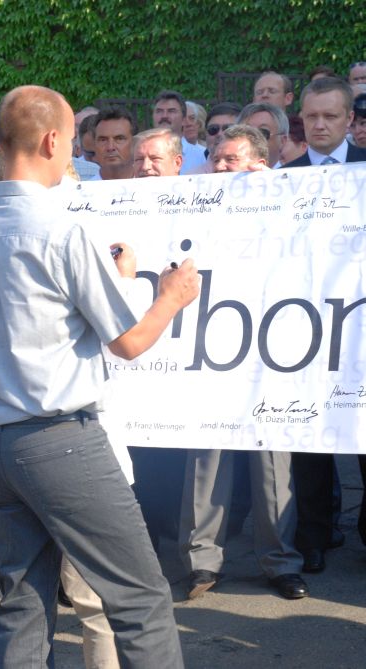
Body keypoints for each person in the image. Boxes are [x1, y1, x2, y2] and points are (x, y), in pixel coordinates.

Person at [0, 84, 198, 668]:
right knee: (139, 597)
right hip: (60, 440)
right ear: (54, 141)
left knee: (21, 606)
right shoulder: (60, 229)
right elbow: (129, 342)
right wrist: (172, 296)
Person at [179, 124, 309, 601]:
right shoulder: (194, 208)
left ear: (259, 164)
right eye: (215, 159)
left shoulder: (289, 203)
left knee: (273, 463)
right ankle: (201, 564)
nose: (219, 167)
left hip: (272, 350)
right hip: (212, 349)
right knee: (206, 460)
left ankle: (280, 563)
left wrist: (274, 192)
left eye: (230, 160)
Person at [283, 77, 366, 166]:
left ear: (349, 118)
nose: (319, 126)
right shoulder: (286, 173)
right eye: (312, 116)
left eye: (330, 116)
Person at [152, 90, 207, 172]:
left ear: (184, 119)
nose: (164, 116)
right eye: (159, 111)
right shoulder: (141, 154)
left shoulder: (201, 155)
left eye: (171, 111)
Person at [183, 102, 241, 174]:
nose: (219, 134)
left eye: (228, 129)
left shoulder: (252, 171)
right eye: (213, 129)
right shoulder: (192, 176)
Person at [238, 102, 289, 167]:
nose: (252, 139)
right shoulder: (227, 172)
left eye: (263, 133)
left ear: (282, 141)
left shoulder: (293, 173)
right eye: (246, 132)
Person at [91, 107, 137, 180]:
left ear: (135, 143)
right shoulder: (84, 187)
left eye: (119, 139)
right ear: (94, 145)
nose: (110, 147)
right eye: (103, 140)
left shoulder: (151, 186)